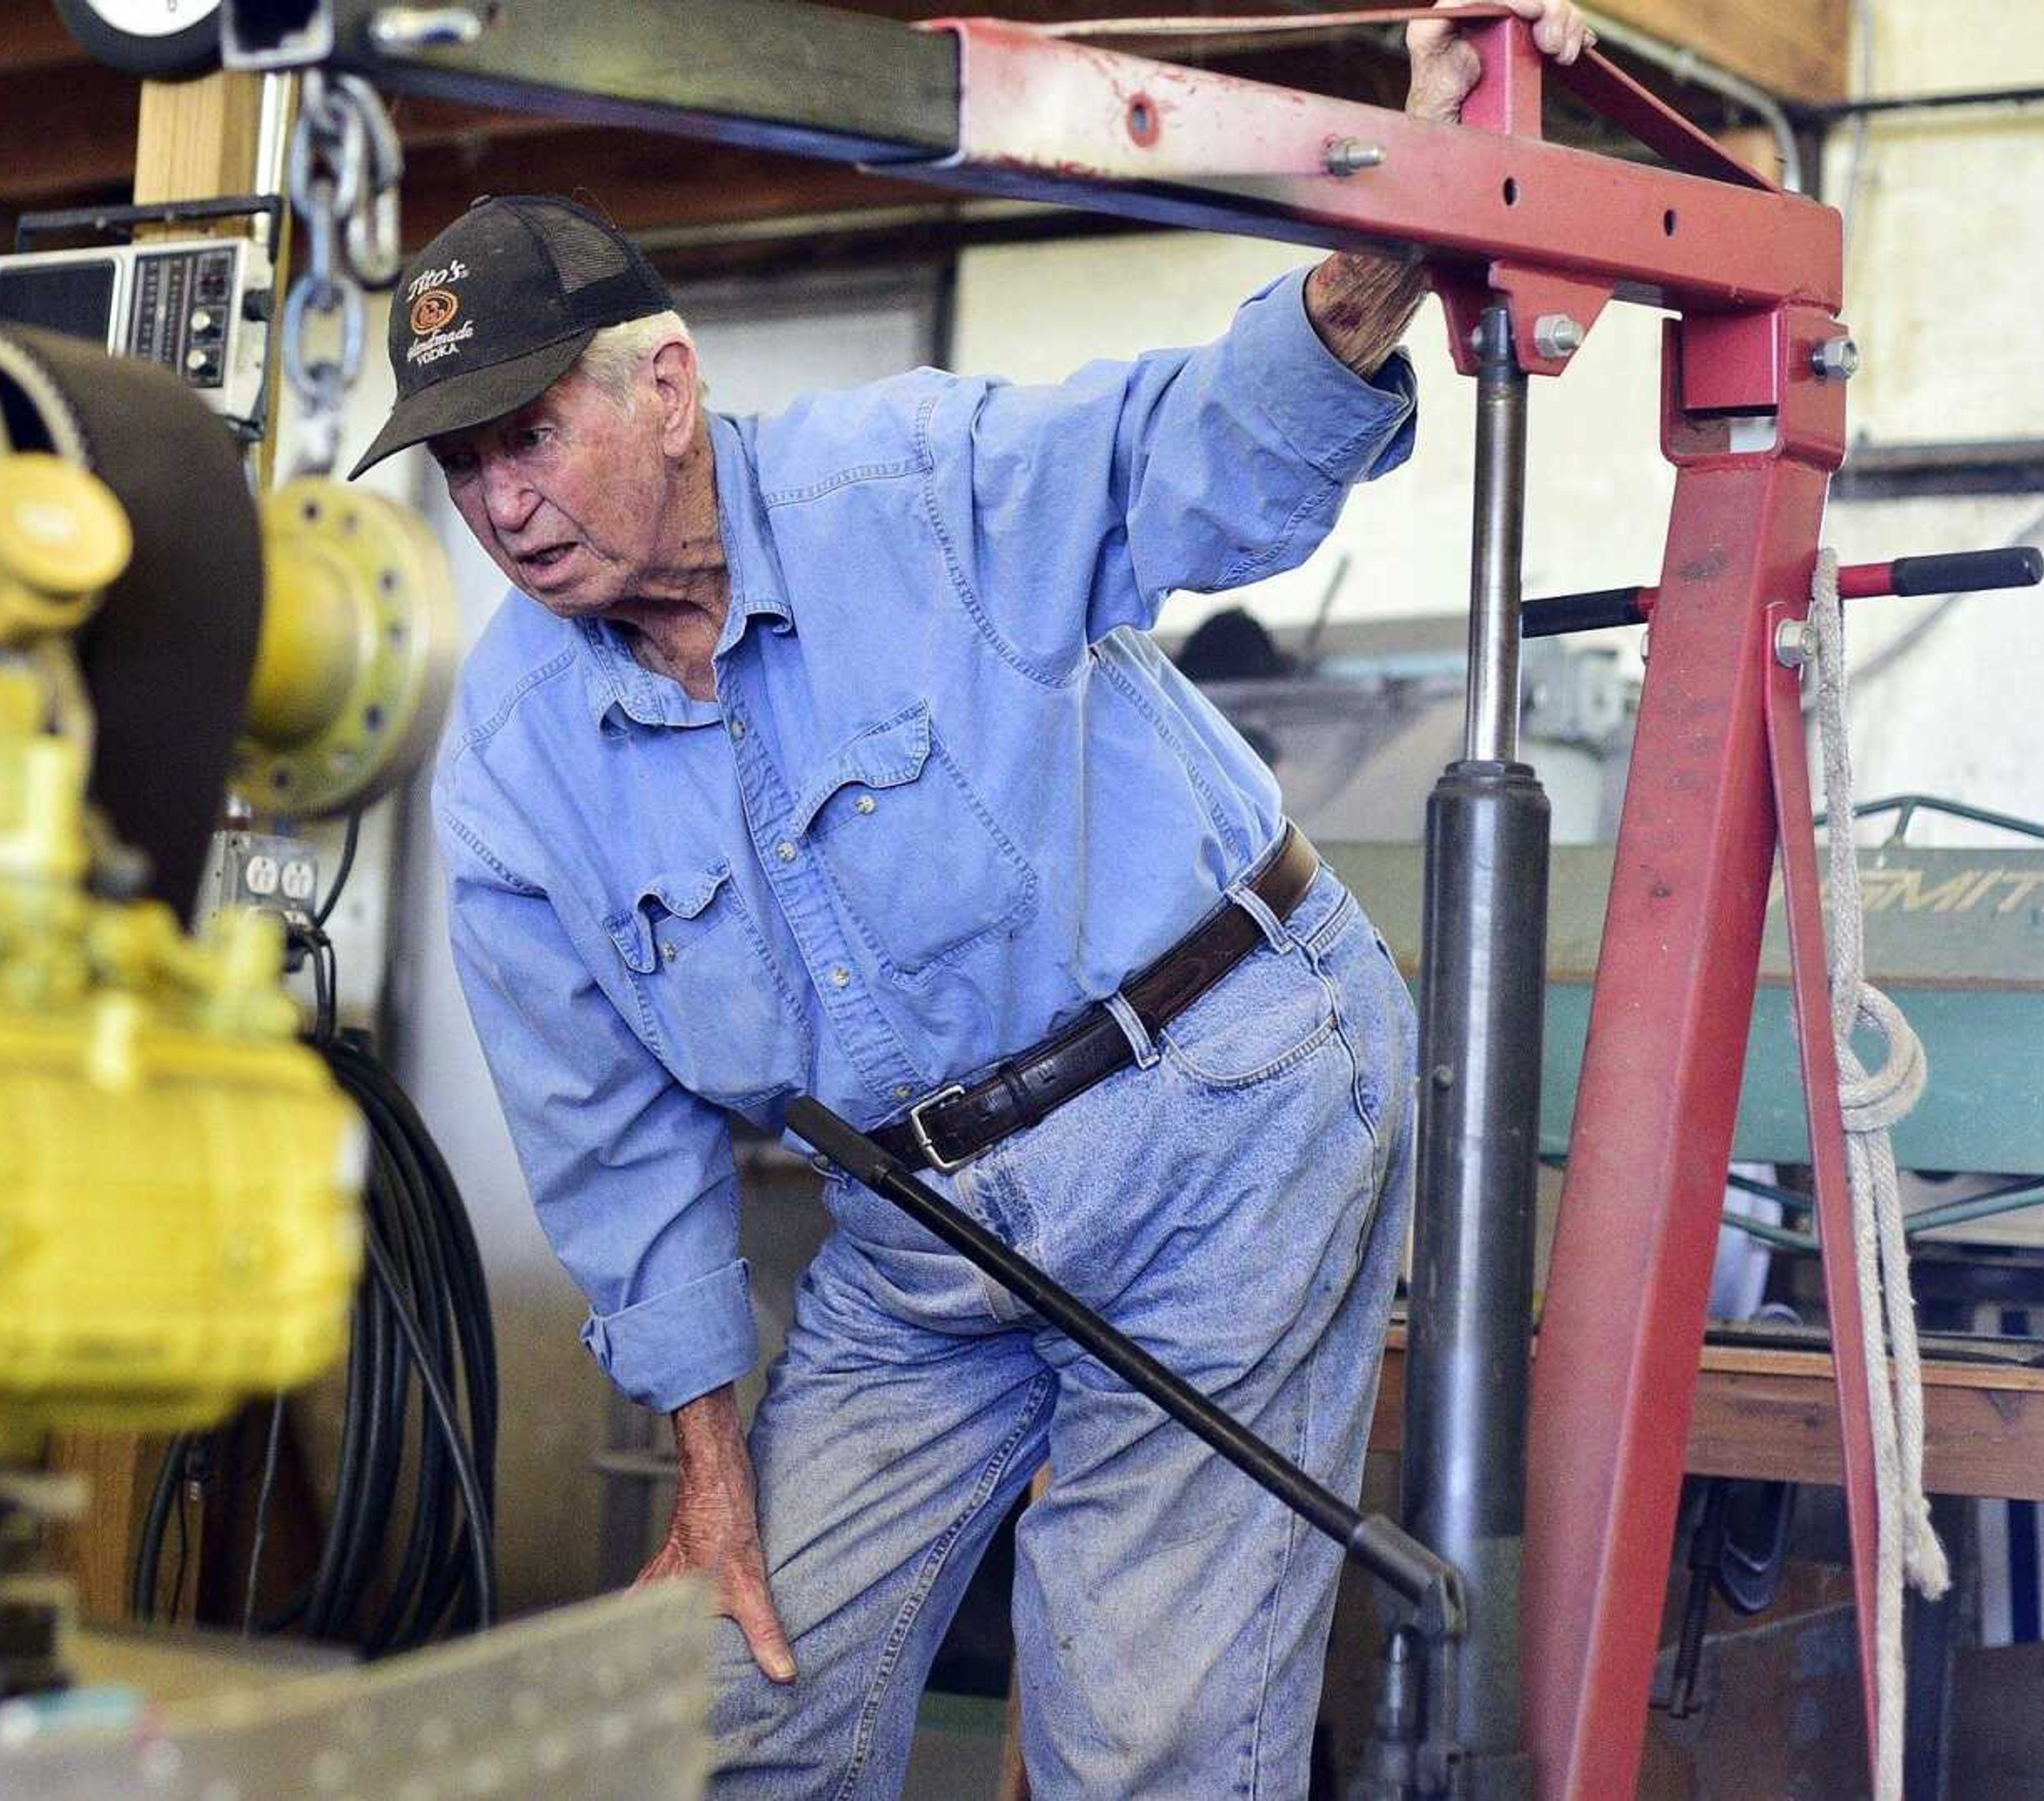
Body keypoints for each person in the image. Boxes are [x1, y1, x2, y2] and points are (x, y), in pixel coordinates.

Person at [354, 4, 1595, 1790]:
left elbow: (1206, 459)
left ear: (668, 384)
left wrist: (1384, 247)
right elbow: (612, 1146)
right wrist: (713, 1480)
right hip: (922, 1241)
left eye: (528, 433)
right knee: (734, 1708)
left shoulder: (921, 484)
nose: (503, 504)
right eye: (463, 467)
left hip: (1220, 1105)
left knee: (1143, 1738)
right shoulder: (515, 769)